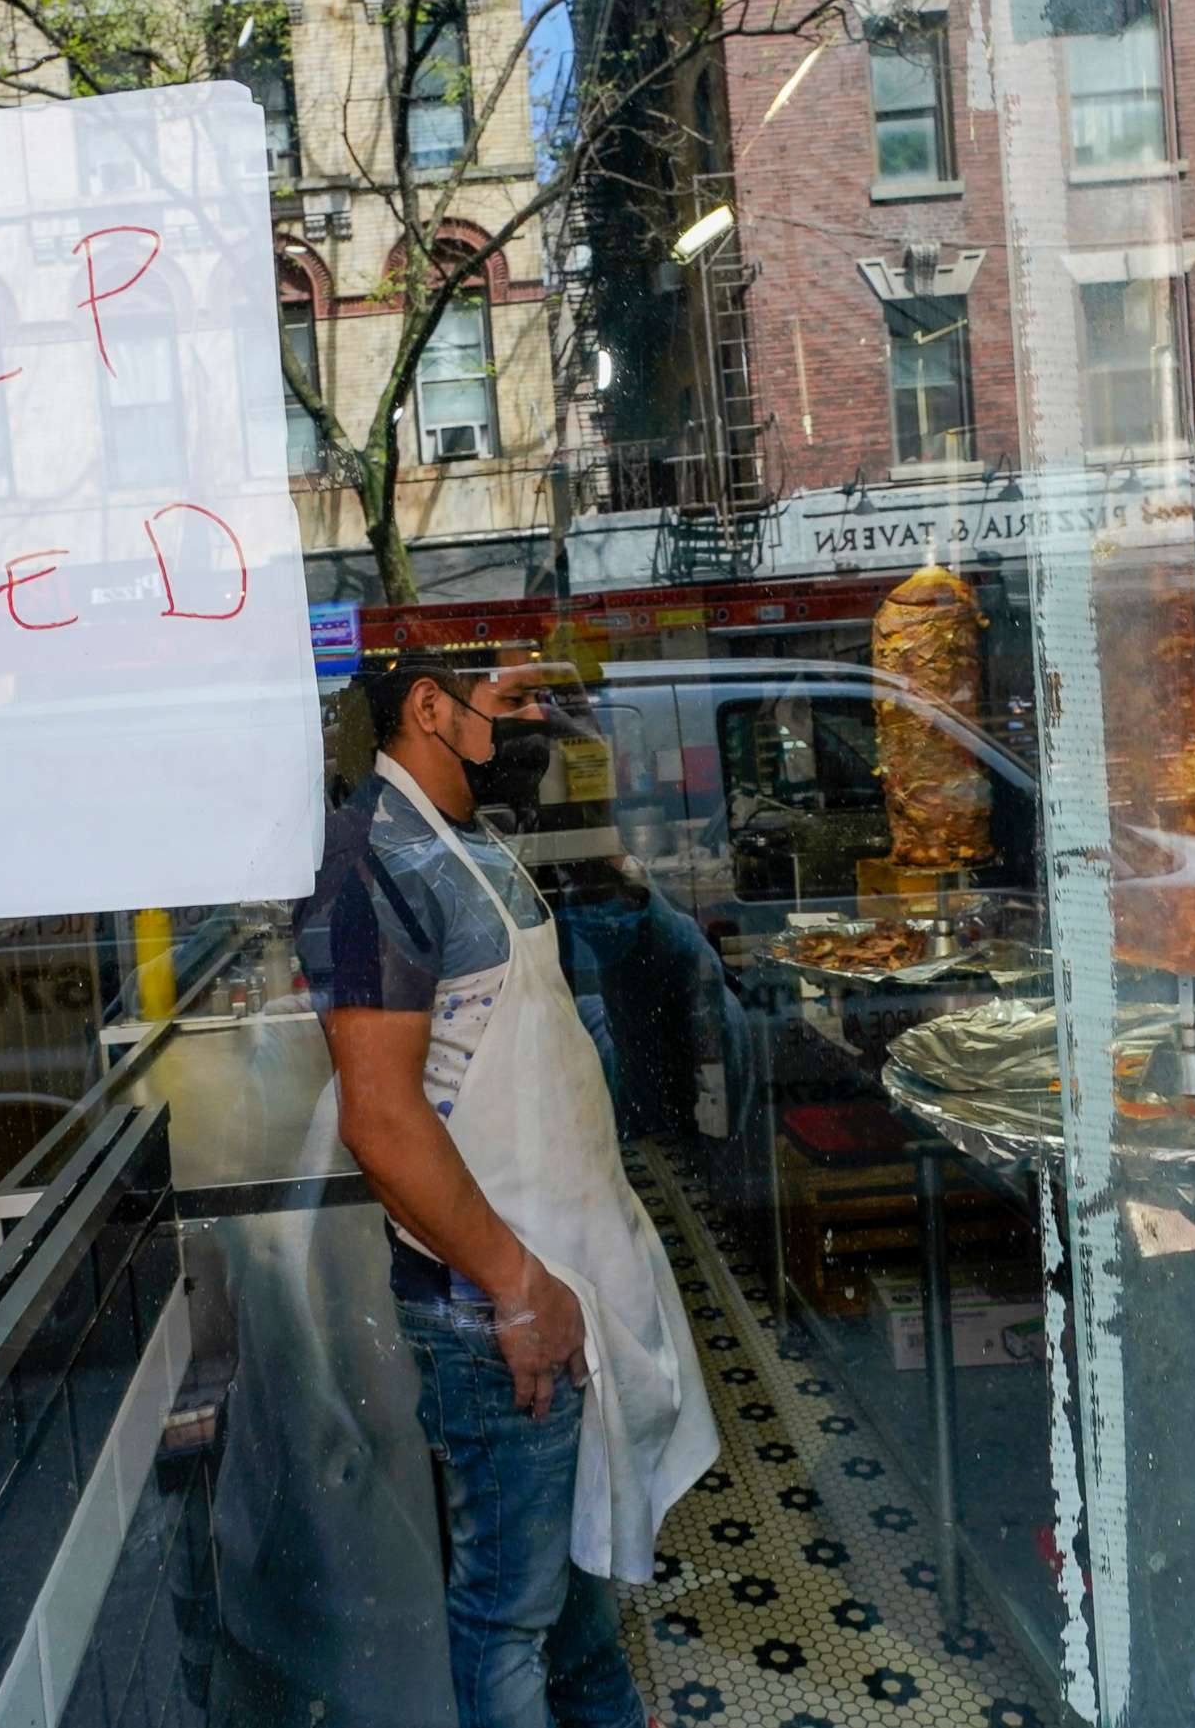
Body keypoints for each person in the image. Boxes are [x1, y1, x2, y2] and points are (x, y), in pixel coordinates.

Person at [296, 656, 719, 1728]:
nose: (536, 722)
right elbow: (382, 1122)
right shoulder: (374, 860)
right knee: (509, 1615)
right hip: (496, 1302)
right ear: (428, 707)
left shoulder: (472, 845)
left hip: (555, 1271)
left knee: (566, 1601)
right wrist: (519, 1288)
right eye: (514, 700)